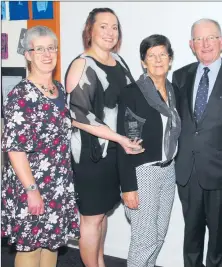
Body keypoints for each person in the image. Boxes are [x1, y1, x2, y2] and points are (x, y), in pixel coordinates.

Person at [65, 8, 143, 267]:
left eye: (115, 27)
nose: (110, 32)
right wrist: (120, 139)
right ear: (90, 30)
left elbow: (130, 100)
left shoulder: (118, 61)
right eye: (104, 26)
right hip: (90, 156)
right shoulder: (81, 65)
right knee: (91, 218)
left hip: (114, 152)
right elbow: (78, 116)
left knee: (102, 214)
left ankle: (99, 263)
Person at [1, 25, 79, 267]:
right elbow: (14, 148)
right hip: (32, 183)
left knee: (51, 245)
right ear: (28, 54)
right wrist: (31, 189)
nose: (47, 54)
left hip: (58, 182)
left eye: (52, 48)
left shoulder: (60, 90)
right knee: (31, 248)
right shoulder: (20, 95)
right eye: (40, 49)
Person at [172, 18, 222, 267]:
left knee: (219, 237)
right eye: (199, 39)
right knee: (191, 234)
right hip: (188, 171)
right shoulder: (179, 76)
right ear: (191, 44)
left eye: (211, 37)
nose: (205, 43)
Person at [117, 34, 180, 267]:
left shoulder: (174, 92)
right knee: (144, 240)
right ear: (143, 62)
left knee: (158, 237)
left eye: (162, 54)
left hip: (168, 171)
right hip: (142, 173)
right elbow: (123, 143)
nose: (157, 60)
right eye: (151, 55)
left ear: (170, 59)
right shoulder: (132, 93)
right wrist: (128, 187)